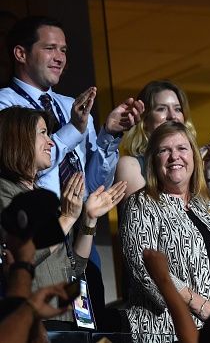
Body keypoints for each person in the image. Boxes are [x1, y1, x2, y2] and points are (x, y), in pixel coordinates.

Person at [0, 15, 144, 320]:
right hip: (36, 231)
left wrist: (109, 135)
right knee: (44, 322)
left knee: (82, 325)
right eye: (50, 48)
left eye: (64, 50)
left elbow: (92, 181)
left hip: (82, 233)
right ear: (20, 54)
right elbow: (21, 164)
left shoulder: (72, 106)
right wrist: (72, 131)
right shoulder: (4, 106)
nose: (59, 58)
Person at [120, 122, 210, 342]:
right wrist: (201, 306)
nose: (175, 156)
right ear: (153, 161)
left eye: (182, 148)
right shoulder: (141, 204)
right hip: (167, 332)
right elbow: (144, 267)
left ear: (194, 156)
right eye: (165, 150)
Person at [0, 106, 126, 328]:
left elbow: (74, 268)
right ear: (17, 137)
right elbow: (18, 257)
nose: (50, 142)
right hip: (31, 325)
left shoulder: (41, 199)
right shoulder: (4, 192)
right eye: (42, 133)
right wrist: (67, 218)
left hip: (65, 323)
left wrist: (89, 219)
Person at [116, 79, 210, 204]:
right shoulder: (130, 165)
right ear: (145, 120)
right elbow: (144, 217)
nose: (173, 116)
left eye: (178, 109)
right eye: (162, 109)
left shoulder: (190, 164)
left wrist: (209, 170)